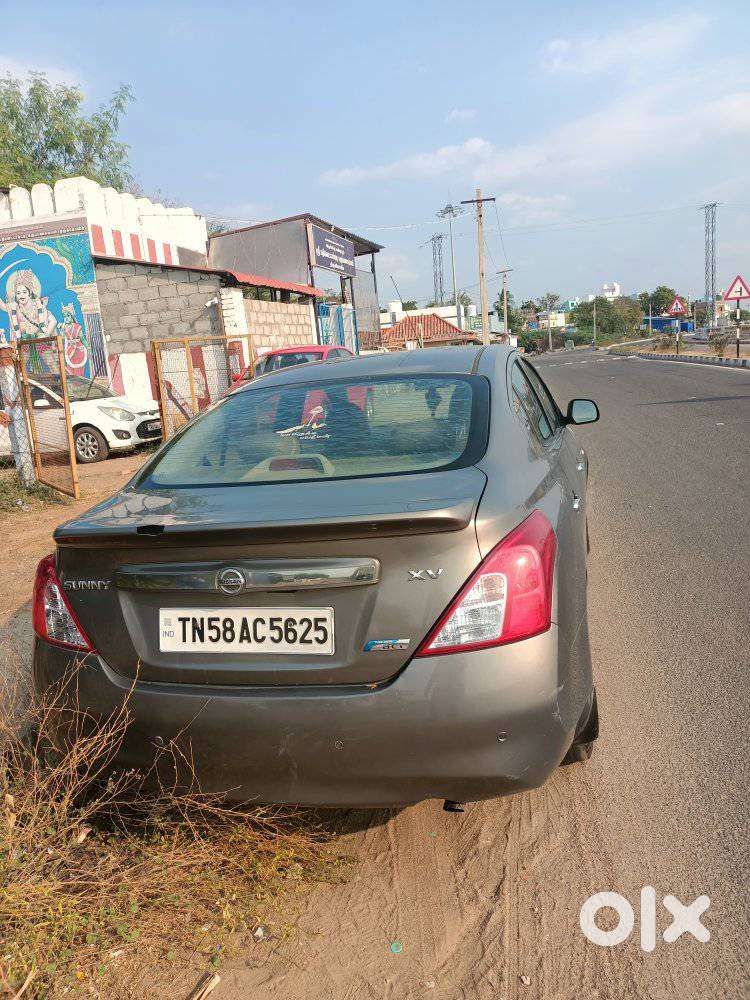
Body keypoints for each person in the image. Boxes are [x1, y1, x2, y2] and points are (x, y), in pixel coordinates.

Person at [0, 268, 58, 341]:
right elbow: (2, 306)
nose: (21, 296)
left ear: (29, 293)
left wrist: (45, 335)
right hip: (23, 345)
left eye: (24, 292)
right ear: (15, 295)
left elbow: (53, 320)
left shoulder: (37, 305)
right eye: (18, 293)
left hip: (41, 344)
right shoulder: (14, 307)